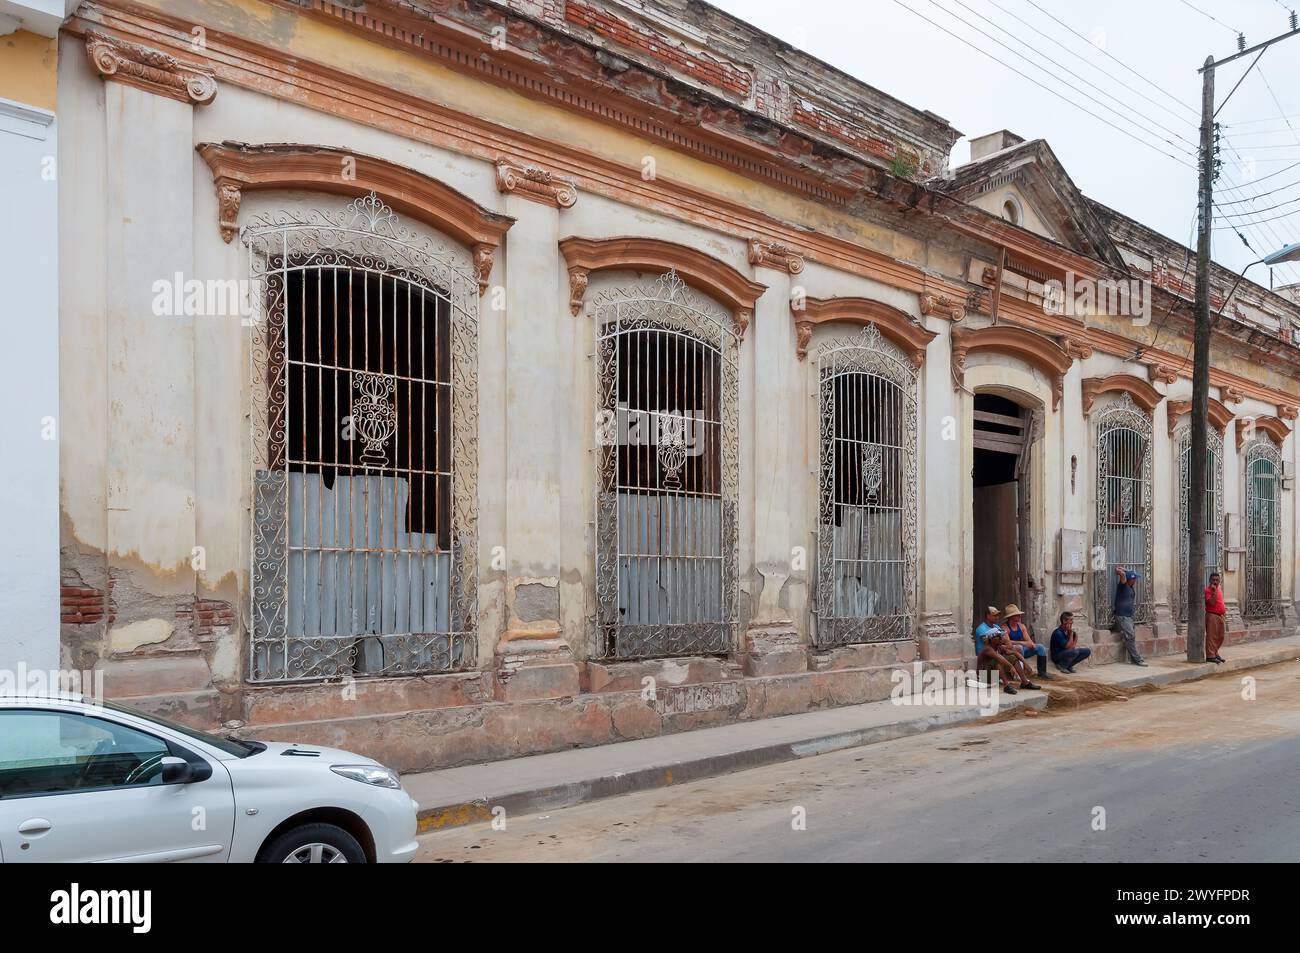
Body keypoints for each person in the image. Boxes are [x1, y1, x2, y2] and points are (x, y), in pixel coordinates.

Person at [974, 606, 1040, 693]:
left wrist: (1025, 663)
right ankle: (1006, 685)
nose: (997, 617)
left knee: (1012, 657)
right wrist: (1011, 666)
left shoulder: (997, 642)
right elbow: (1000, 656)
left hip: (992, 670)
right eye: (994, 615)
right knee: (998, 661)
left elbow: (1011, 649)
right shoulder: (988, 648)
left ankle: (1025, 682)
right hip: (984, 676)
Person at [1003, 603, 1052, 680]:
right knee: (1019, 647)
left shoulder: (1021, 626)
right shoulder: (1005, 628)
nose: (1019, 617)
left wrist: (1019, 642)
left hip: (1022, 649)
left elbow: (1030, 643)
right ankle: (1020, 673)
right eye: (1016, 615)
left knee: (1040, 647)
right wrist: (1021, 643)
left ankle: (1042, 673)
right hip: (1011, 652)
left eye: (1019, 615)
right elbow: (1008, 643)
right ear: (1010, 617)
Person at [1112, 565, 1147, 666]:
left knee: (1130, 637)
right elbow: (1120, 571)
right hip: (1122, 616)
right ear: (1130, 579)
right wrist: (1124, 572)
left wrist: (1129, 572)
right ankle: (1137, 659)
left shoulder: (1130, 587)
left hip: (1128, 616)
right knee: (1130, 636)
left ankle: (1133, 659)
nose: (1135, 580)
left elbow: (1123, 571)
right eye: (1134, 578)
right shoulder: (1123, 585)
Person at [1204, 572, 1227, 664]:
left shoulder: (1219, 589)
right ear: (1210, 580)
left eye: (1217, 580)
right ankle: (1210, 656)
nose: (1215, 582)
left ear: (1219, 581)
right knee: (1211, 636)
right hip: (1212, 615)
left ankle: (1215, 653)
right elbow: (1212, 603)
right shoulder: (1208, 590)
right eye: (1213, 580)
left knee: (1220, 636)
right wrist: (1213, 592)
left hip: (1220, 616)